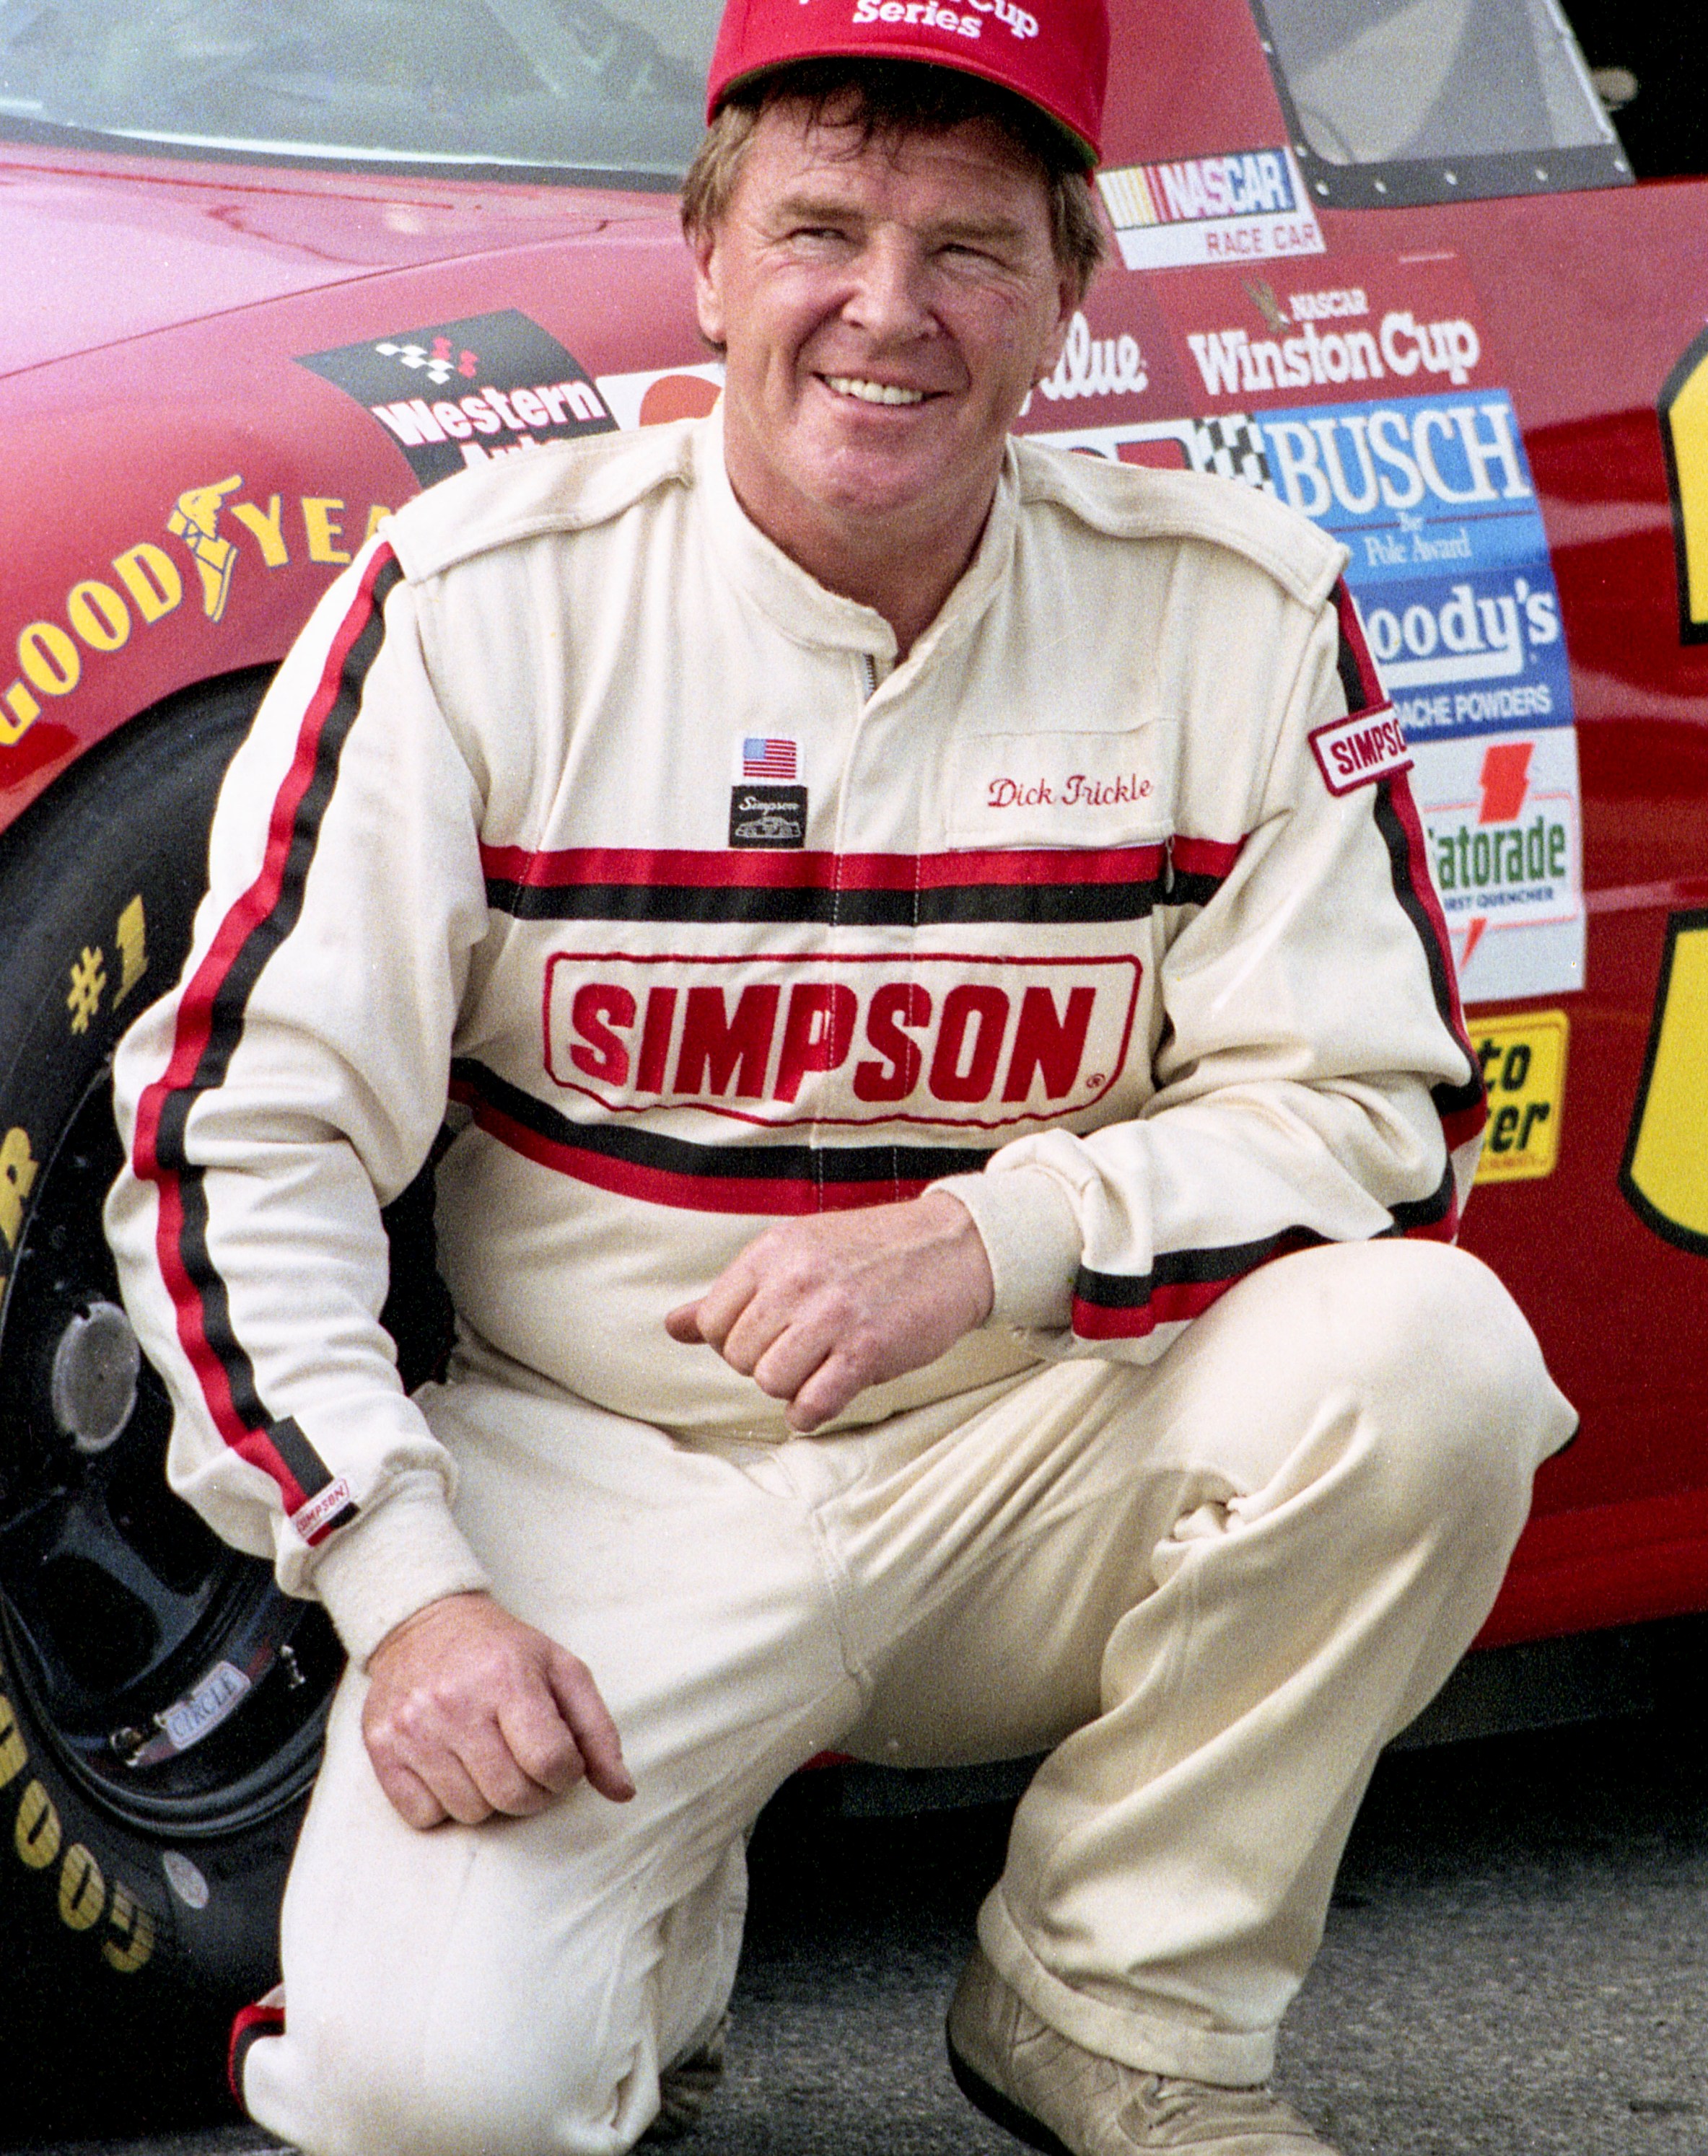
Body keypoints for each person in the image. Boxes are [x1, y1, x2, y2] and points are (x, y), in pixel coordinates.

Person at [105, 1, 1577, 2150]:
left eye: (972, 249)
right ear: (704, 258)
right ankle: (645, 1919)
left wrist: (995, 1233)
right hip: (600, 1476)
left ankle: (1119, 2006)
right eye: (820, 230)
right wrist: (405, 1591)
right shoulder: (479, 601)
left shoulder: (1240, 613)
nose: (887, 312)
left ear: (1073, 294)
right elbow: (241, 1137)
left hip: (1030, 1454)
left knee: (1429, 1355)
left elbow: (1375, 1126)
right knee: (441, 2097)